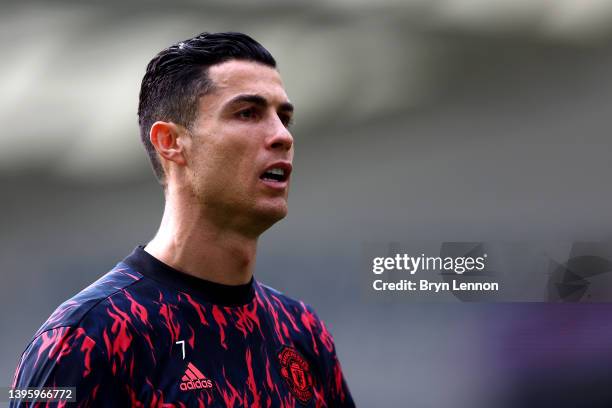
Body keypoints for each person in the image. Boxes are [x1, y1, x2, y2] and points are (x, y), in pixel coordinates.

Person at [11, 32, 355, 407]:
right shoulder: (85, 335)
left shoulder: (302, 331)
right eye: (247, 113)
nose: (282, 136)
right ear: (170, 142)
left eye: (284, 117)